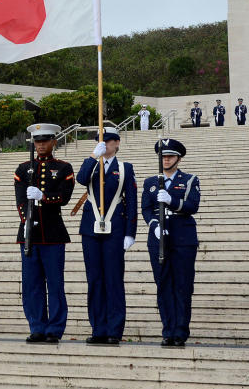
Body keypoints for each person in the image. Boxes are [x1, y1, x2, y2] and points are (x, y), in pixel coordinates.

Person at [75, 127, 136, 345]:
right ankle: (98, 328)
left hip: (115, 229)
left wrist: (130, 232)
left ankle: (114, 330)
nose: (105, 145)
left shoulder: (125, 168)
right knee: (95, 280)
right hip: (91, 229)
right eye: (101, 141)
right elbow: (80, 179)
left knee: (113, 280)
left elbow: (131, 201)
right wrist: (93, 156)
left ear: (117, 143)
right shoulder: (91, 165)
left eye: (108, 141)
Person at [15, 123, 75, 344]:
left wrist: (44, 196)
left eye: (45, 141)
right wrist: (27, 220)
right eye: (37, 141)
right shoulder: (23, 169)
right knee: (31, 284)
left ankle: (55, 329)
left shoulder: (63, 168)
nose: (40, 145)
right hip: (30, 234)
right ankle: (37, 326)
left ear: (54, 142)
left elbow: (65, 196)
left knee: (55, 283)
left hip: (53, 234)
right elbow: (20, 200)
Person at [141, 138, 200, 348]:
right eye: (163, 156)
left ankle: (180, 332)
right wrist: (154, 223)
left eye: (170, 156)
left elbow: (193, 205)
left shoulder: (190, 179)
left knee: (182, 285)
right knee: (163, 284)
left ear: (179, 158)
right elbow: (146, 208)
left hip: (182, 238)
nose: (166, 160)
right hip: (158, 238)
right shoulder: (150, 182)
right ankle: (168, 330)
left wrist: (172, 201)